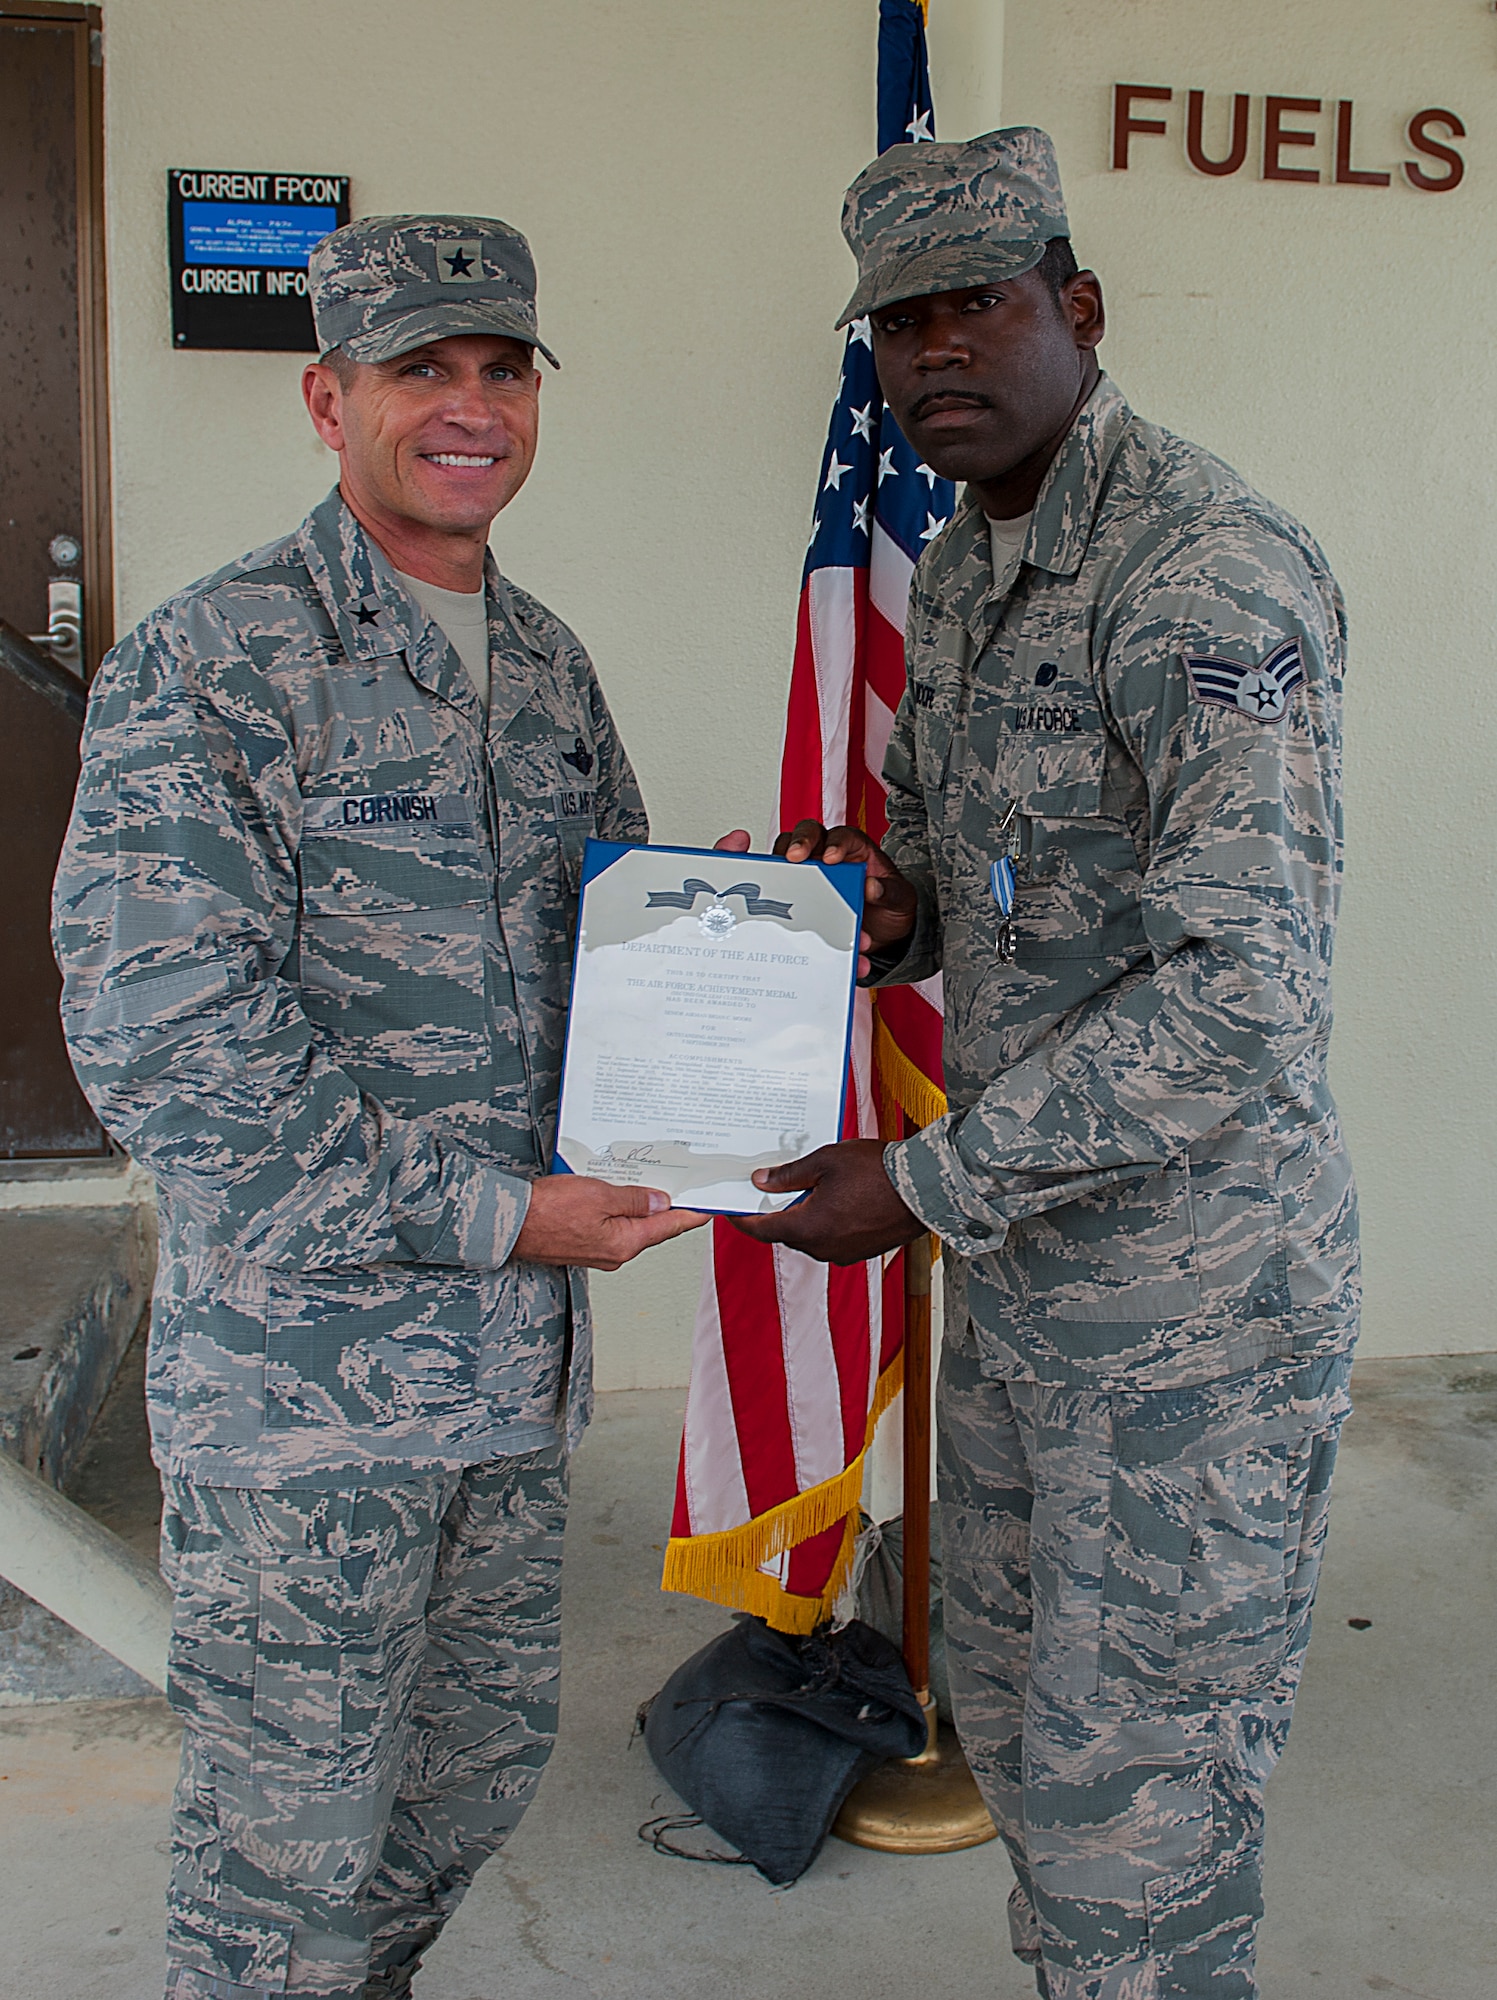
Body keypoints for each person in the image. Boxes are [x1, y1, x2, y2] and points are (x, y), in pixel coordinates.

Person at [723, 129, 1358, 1998]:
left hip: (1190, 1332)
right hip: (1028, 1298)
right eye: (899, 323)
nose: (932, 358)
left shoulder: (1199, 580)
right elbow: (951, 872)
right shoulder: (974, 569)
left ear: (1076, 310)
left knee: (1137, 1832)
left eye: (976, 307)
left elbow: (1244, 998)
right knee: (1017, 1729)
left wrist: (913, 1184)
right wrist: (875, 908)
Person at [53, 214, 705, 2000]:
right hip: (309, 1398)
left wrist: (734, 943)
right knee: (283, 1866)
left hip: (503, 1384)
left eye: (502, 368)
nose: (471, 405)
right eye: (424, 367)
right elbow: (169, 1041)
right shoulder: (213, 665)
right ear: (329, 399)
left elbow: (609, 955)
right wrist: (511, 1215)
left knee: (465, 1783)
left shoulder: (549, 667)